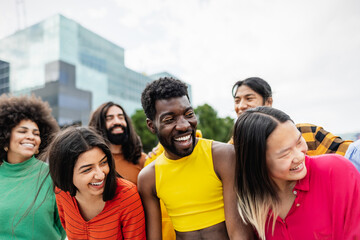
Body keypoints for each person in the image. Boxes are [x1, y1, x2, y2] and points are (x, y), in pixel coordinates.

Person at [139, 77, 252, 240]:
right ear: (151, 126)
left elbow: (239, 234)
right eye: (169, 120)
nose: (184, 125)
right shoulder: (149, 178)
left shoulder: (224, 156)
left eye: (189, 114)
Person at [233, 106, 360, 239]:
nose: (299, 156)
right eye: (285, 153)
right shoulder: (247, 205)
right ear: (257, 162)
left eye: (299, 142)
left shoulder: (335, 171)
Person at [46, 127, 146, 240]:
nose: (100, 175)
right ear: (65, 173)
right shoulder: (62, 192)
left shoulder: (127, 195)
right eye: (87, 169)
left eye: (103, 163)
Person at [231, 77, 353, 156]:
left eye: (249, 98)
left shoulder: (308, 134)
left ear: (268, 102)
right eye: (237, 101)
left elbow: (352, 155)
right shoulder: (231, 149)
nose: (241, 106)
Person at [0, 95, 65, 239]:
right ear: (5, 137)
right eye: (22, 131)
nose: (31, 137)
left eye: (36, 133)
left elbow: (64, 225)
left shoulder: (52, 175)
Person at [89, 102, 146, 185]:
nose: (117, 122)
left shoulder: (142, 160)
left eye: (121, 117)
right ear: (99, 124)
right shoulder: (89, 160)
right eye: (109, 118)